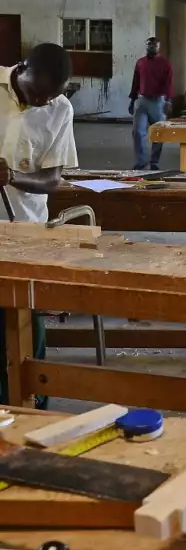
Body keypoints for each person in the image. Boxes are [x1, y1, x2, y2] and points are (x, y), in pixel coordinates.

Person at [0, 43, 78, 407]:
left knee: (28, 329)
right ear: (23, 68)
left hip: (27, 233)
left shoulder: (59, 110)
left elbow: (51, 180)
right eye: (36, 94)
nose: (40, 103)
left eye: (49, 98)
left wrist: (13, 176)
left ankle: (33, 409)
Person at [129, 37, 173, 171]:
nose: (151, 47)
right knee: (138, 131)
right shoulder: (140, 63)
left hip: (158, 102)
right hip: (142, 101)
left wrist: (168, 101)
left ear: (159, 47)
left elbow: (169, 83)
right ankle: (141, 161)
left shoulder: (166, 64)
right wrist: (132, 100)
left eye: (155, 45)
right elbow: (135, 82)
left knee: (159, 133)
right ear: (146, 46)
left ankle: (154, 161)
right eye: (149, 45)